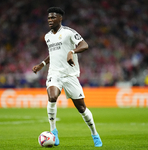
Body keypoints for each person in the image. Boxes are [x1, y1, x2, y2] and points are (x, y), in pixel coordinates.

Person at [32, 7, 102, 147]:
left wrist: (72, 51)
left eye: (53, 18)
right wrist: (42, 64)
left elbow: (85, 45)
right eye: (48, 18)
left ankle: (94, 133)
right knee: (52, 97)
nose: (50, 20)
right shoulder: (47, 36)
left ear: (60, 19)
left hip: (70, 75)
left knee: (82, 108)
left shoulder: (69, 33)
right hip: (54, 73)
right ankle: (54, 131)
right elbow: (54, 54)